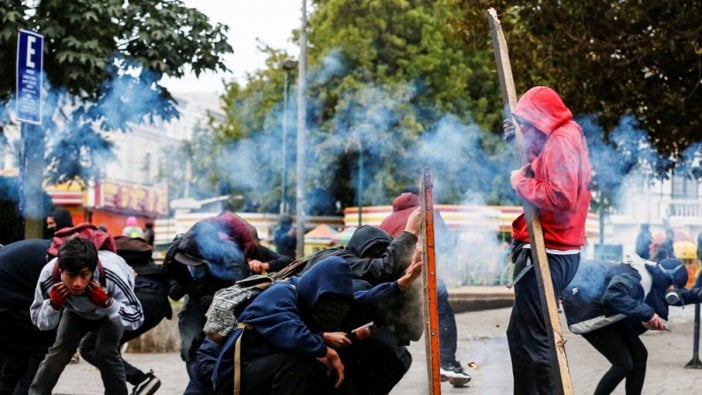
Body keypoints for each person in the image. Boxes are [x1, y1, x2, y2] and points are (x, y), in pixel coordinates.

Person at [210, 252, 424, 394]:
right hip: (239, 378)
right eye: (326, 303)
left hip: (270, 369)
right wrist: (324, 347)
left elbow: (361, 301)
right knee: (301, 362)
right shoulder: (281, 294)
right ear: (316, 289)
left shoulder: (315, 296)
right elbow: (291, 332)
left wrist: (399, 285)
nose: (329, 311)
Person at [503, 86, 593, 394]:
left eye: (528, 122)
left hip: (548, 252)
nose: (525, 128)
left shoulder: (561, 140)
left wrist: (520, 181)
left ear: (543, 117)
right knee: (519, 336)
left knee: (537, 343)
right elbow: (545, 166)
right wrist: (520, 142)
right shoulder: (565, 134)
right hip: (555, 250)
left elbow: (559, 195)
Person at [296, 209, 422, 394]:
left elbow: (409, 330)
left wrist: (408, 283)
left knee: (395, 352)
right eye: (373, 254)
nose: (376, 259)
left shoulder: (356, 275)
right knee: (389, 354)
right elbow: (380, 271)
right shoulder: (340, 261)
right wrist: (410, 232)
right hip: (303, 336)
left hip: (318, 334)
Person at [165, 211, 292, 392]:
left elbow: (287, 261)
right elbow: (172, 273)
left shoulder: (246, 249)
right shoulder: (190, 245)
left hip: (230, 310)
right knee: (191, 352)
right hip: (196, 308)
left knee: (224, 355)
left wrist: (265, 265)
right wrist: (176, 286)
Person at [379, 186, 471, 386]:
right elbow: (445, 244)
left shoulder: (387, 220)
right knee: (442, 312)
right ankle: (448, 363)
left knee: (388, 326)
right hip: (421, 275)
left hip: (393, 283)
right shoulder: (427, 212)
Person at [29, 237, 144, 395]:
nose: (77, 283)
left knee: (106, 351)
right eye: (71, 276)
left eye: (84, 275)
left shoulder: (111, 273)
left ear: (92, 270)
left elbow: (136, 317)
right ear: (61, 271)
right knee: (60, 350)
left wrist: (108, 303)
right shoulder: (49, 274)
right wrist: (53, 305)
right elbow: (38, 320)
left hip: (110, 310)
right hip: (75, 312)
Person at [562, 257, 688, 394]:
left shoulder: (651, 276)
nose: (673, 293)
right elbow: (614, 295)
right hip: (588, 312)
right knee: (623, 364)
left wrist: (645, 319)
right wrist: (648, 314)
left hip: (608, 312)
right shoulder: (641, 278)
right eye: (674, 287)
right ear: (669, 280)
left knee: (640, 355)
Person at [79, 236, 170, 395]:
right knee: (108, 348)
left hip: (137, 300)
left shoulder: (99, 258)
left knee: (91, 347)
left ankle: (141, 380)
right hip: (159, 304)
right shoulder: (140, 258)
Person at [0, 239, 54, 394]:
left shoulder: (47, 250)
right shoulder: (59, 261)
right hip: (10, 295)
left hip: (13, 293)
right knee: (39, 352)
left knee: (13, 358)